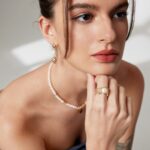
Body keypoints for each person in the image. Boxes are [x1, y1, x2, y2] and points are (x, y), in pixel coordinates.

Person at [0, 0, 144, 149]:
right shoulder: (13, 117)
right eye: (85, 17)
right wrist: (101, 144)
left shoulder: (129, 80)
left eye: (119, 14)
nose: (110, 35)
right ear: (49, 30)